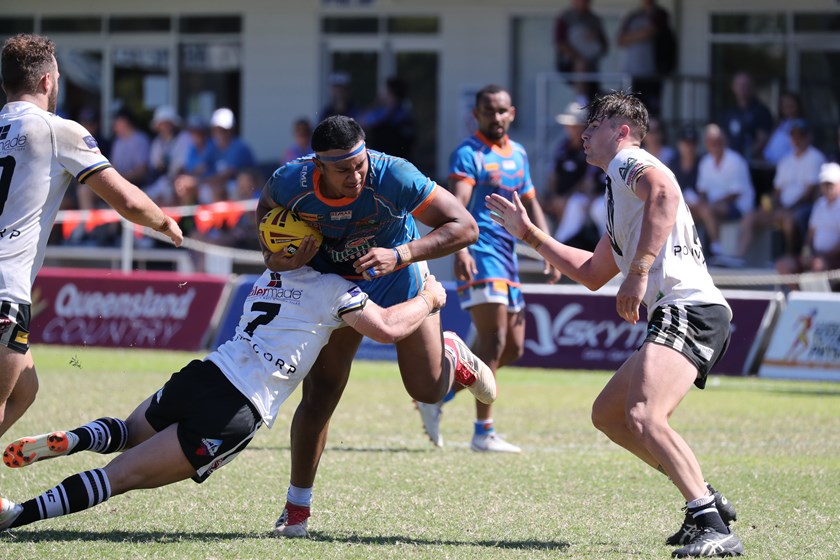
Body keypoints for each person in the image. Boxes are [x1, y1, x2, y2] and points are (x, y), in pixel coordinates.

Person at [485, 91, 743, 558]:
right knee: (609, 414)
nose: (583, 133)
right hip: (685, 310)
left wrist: (641, 272)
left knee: (644, 415)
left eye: (594, 126)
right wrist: (529, 234)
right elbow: (590, 273)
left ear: (621, 132)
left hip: (689, 307)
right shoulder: (619, 192)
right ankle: (704, 498)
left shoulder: (629, 162)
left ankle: (708, 518)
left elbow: (665, 191)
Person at [0, 264, 450, 532]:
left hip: (204, 374)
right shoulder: (334, 289)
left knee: (127, 431)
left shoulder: (267, 275)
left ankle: (79, 438)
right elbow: (389, 327)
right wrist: (430, 297)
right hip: (236, 409)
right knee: (116, 477)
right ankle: (19, 515)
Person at [257, 115, 496, 537]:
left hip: (397, 275)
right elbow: (267, 224)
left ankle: (452, 352)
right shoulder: (288, 183)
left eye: (360, 164)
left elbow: (465, 227)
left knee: (426, 390)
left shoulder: (394, 174)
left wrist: (401, 254)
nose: (355, 176)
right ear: (317, 166)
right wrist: (279, 259)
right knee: (320, 394)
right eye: (342, 169)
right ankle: (296, 512)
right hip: (333, 284)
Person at [0, 33, 183, 440]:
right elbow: (127, 201)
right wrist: (164, 222)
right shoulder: (56, 129)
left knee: (24, 390)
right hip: (4, 289)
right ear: (48, 81)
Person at [416, 85, 560, 453]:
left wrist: (547, 247)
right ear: (476, 115)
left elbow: (530, 201)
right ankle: (484, 431)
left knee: (512, 348)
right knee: (493, 342)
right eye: (488, 111)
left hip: (508, 258)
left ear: (512, 113)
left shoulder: (520, 155)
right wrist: (459, 248)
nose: (495, 117)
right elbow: (456, 206)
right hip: (480, 254)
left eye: (501, 111)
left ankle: (437, 397)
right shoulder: (468, 153)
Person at [735, 120, 824, 262]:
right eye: (793, 136)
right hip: (782, 208)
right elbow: (777, 191)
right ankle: (739, 258)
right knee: (750, 217)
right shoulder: (786, 160)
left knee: (788, 219)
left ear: (808, 137)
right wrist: (768, 204)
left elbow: (809, 194)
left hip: (803, 208)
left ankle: (788, 260)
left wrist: (786, 209)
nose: (796, 139)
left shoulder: (815, 157)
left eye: (800, 135)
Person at [545, 101, 605, 251]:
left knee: (576, 203)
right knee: (532, 202)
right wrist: (554, 197)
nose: (570, 128)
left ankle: (558, 247)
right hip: (561, 197)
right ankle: (545, 246)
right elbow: (553, 175)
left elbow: (588, 180)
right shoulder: (563, 147)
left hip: (586, 197)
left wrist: (566, 198)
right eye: (568, 125)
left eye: (574, 125)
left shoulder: (591, 148)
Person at [691, 123, 754, 263]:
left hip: (738, 207)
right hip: (713, 207)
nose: (715, 144)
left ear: (724, 141)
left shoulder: (735, 160)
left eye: (718, 141)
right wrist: (702, 202)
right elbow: (702, 190)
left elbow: (735, 194)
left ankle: (716, 249)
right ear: (706, 143)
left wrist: (708, 205)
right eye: (711, 141)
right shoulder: (705, 162)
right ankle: (690, 254)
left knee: (707, 209)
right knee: (687, 210)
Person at [775, 162, 840, 280]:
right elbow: (811, 233)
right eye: (825, 184)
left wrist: (820, 256)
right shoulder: (819, 205)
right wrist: (807, 253)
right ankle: (798, 295)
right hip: (817, 256)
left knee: (817, 266)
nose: (827, 187)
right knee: (783, 265)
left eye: (830, 184)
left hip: (834, 259)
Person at [716, 72, 774, 203]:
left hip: (753, 165)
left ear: (752, 87)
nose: (743, 88)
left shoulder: (761, 111)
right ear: (733, 87)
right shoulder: (728, 112)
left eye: (746, 85)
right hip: (730, 165)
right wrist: (731, 160)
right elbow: (723, 138)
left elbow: (763, 139)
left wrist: (744, 156)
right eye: (739, 85)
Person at [616, 0, 673, 116]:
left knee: (651, 110)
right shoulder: (633, 16)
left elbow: (651, 32)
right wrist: (640, 34)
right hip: (633, 72)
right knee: (632, 109)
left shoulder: (660, 14)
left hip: (653, 72)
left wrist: (632, 36)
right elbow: (620, 40)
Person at [553, 0, 609, 103]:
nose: (583, 3)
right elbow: (560, 43)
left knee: (595, 97)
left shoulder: (594, 20)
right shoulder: (565, 18)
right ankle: (580, 103)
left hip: (592, 66)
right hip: (568, 64)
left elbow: (604, 46)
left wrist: (595, 38)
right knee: (581, 65)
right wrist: (577, 57)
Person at [359, 76, 417, 160]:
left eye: (385, 91)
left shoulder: (386, 114)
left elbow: (362, 121)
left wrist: (374, 104)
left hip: (386, 159)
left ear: (391, 93)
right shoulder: (406, 113)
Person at [146, 105, 193, 206]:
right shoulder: (157, 143)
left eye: (167, 123)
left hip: (182, 178)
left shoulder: (184, 138)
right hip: (163, 181)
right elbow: (156, 167)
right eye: (162, 124)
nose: (165, 127)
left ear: (173, 124)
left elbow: (184, 166)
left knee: (178, 189)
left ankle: (182, 221)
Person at [763, 91, 804, 166]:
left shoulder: (801, 125)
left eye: (791, 105)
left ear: (797, 106)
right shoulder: (779, 124)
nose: (787, 108)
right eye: (785, 105)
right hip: (771, 164)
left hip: (789, 166)